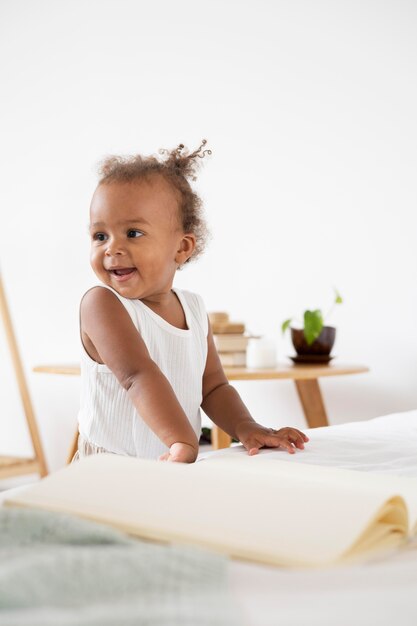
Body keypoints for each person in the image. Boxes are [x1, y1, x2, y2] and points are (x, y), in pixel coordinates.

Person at [76, 140, 309, 463]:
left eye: (132, 233)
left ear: (182, 248)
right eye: (100, 236)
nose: (111, 248)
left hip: (170, 460)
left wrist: (246, 426)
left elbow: (213, 387)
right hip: (109, 466)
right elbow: (137, 375)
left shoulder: (194, 309)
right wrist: (184, 440)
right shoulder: (101, 304)